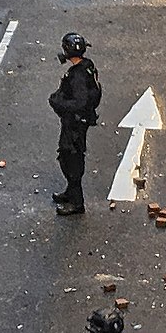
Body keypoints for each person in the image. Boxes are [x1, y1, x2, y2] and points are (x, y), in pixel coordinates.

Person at [49, 32, 101, 216]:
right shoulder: (87, 67)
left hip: (75, 123)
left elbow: (79, 102)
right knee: (66, 154)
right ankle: (70, 193)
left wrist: (57, 102)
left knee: (71, 159)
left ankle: (76, 203)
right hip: (78, 121)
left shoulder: (78, 76)